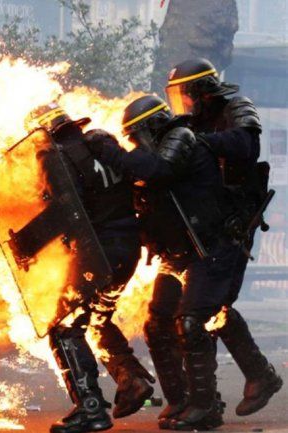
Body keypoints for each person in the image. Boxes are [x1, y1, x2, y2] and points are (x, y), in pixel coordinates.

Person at [88, 95, 238, 430]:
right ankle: (181, 400)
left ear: (152, 125)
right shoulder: (156, 151)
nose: (135, 144)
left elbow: (158, 172)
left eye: (136, 136)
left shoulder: (180, 138)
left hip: (206, 249)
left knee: (190, 323)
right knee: (156, 324)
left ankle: (205, 407)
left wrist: (110, 152)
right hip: (177, 254)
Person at [165, 58, 283, 416]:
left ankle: (213, 400)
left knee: (201, 312)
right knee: (211, 308)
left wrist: (201, 142)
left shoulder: (237, 108)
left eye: (186, 95)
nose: (183, 103)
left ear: (202, 91)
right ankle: (260, 374)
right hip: (205, 227)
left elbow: (245, 146)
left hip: (233, 225)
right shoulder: (192, 124)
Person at [28, 103, 153, 433]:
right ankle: (133, 379)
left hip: (98, 251)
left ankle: (91, 408)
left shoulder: (54, 155)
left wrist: (27, 244)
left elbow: (68, 210)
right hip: (128, 247)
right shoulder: (101, 142)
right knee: (96, 318)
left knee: (64, 326)